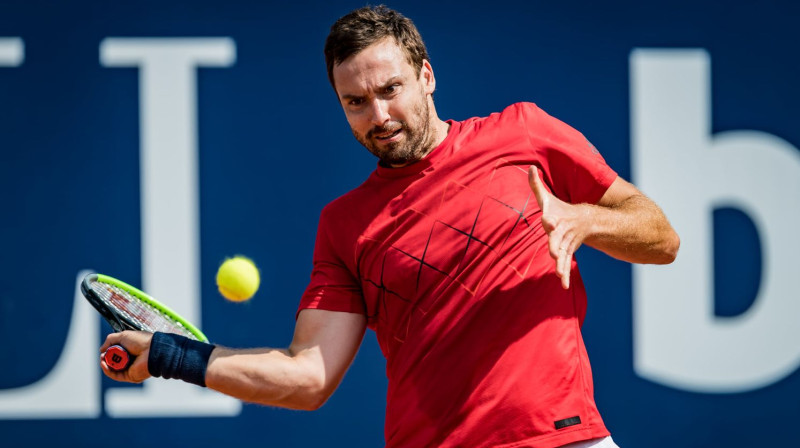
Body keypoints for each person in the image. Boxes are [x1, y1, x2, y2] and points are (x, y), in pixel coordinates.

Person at [100, 5, 679, 448]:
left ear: (426, 75)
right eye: (355, 102)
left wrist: (581, 219)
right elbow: (308, 377)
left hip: (562, 437)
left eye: (390, 90)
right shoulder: (345, 226)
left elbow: (661, 236)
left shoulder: (523, 133)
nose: (378, 116)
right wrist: (173, 358)